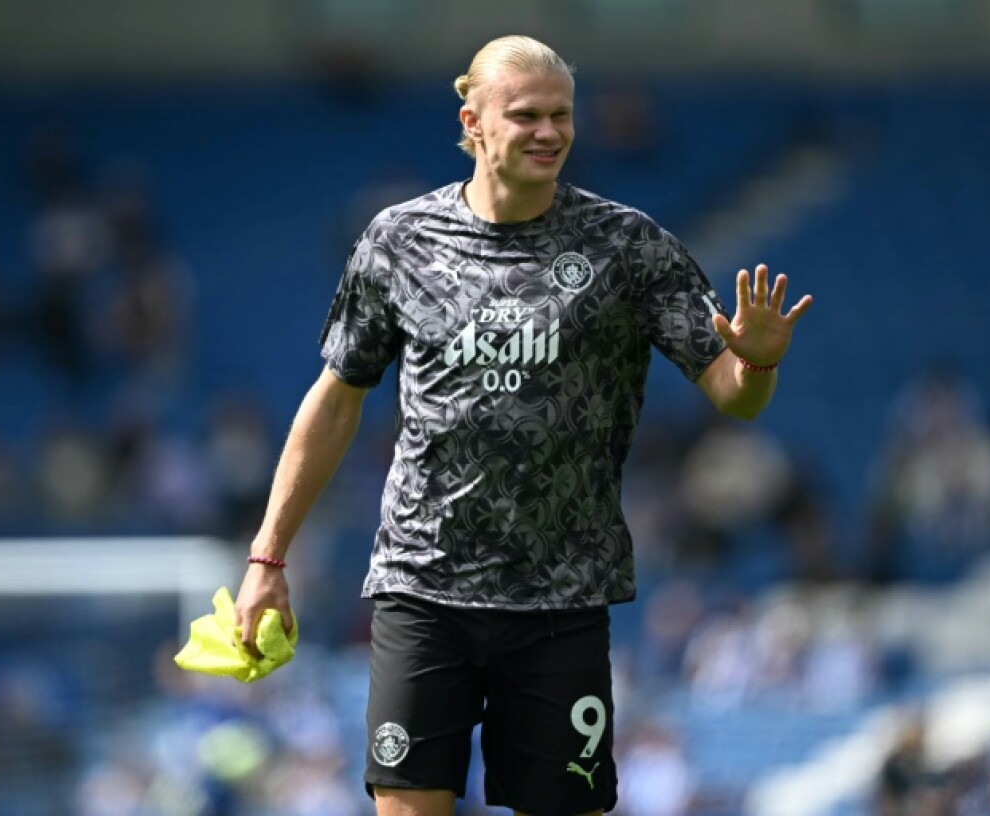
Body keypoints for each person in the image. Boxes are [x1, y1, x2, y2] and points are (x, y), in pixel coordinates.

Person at [232, 34, 812, 816]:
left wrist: (759, 363)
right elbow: (337, 398)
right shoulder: (399, 241)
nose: (550, 132)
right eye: (526, 115)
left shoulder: (628, 246)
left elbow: (731, 395)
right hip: (422, 586)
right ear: (472, 123)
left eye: (562, 116)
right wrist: (269, 554)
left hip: (560, 601)